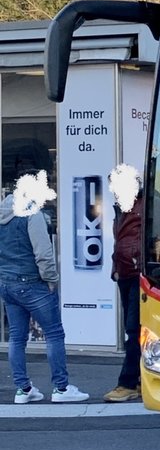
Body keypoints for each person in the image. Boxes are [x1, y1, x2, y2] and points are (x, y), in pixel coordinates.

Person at [0, 170, 89, 404]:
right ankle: (61, 389)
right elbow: (43, 253)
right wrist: (52, 279)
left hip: (7, 284)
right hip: (32, 283)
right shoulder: (31, 213)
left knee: (17, 338)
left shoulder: (1, 214)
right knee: (54, 334)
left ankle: (23, 389)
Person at [104, 166, 144, 403]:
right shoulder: (122, 207)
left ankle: (127, 383)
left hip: (139, 274)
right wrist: (116, 269)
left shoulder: (145, 205)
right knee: (134, 330)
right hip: (126, 274)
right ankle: (137, 380)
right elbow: (119, 241)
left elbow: (153, 237)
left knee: (134, 330)